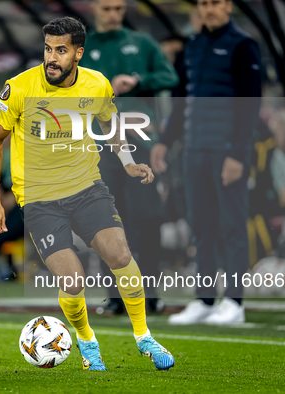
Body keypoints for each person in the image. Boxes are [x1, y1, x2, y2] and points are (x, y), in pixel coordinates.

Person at [0, 17, 174, 371]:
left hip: (87, 189)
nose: (51, 58)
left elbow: (110, 121)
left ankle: (143, 336)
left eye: (60, 50)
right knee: (73, 280)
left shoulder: (96, 84)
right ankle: (87, 342)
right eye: (47, 49)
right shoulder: (19, 87)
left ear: (78, 53)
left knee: (120, 254)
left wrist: (129, 163)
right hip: (40, 200)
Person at [150, 0, 262, 325]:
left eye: (215, 3)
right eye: (204, 4)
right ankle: (204, 299)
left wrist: (238, 155)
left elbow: (250, 106)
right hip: (193, 152)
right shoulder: (194, 46)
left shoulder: (242, 46)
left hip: (226, 152)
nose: (209, 9)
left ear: (227, 6)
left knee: (232, 226)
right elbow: (181, 99)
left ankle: (235, 302)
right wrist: (165, 141)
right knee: (201, 227)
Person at [80, 0, 179, 315]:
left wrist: (138, 82)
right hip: (99, 148)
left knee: (147, 219)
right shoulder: (82, 48)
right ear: (95, 7)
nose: (113, 15)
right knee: (107, 221)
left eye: (119, 9)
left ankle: (150, 295)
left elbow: (170, 77)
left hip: (140, 144)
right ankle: (115, 297)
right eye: (107, 8)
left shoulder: (142, 43)